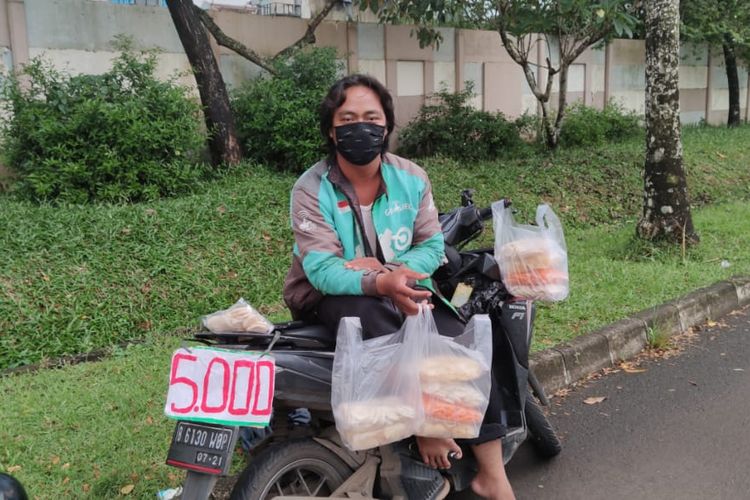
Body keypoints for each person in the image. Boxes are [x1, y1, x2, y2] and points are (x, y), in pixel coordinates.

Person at [283, 74, 515, 500]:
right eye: (348, 118)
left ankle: (491, 473)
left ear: (386, 126)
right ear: (331, 130)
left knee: (463, 336)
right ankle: (426, 427)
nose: (361, 127)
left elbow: (431, 245)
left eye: (371, 117)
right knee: (374, 314)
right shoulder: (311, 188)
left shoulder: (411, 177)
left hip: (403, 284)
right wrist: (378, 283)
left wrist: (393, 274)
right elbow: (321, 269)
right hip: (333, 298)